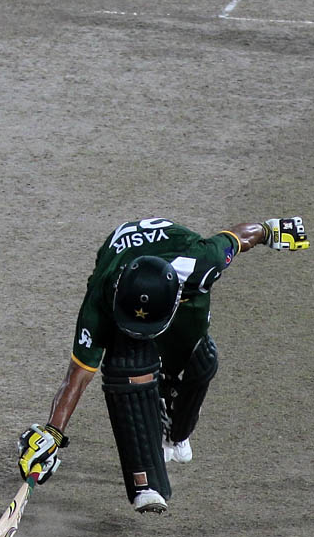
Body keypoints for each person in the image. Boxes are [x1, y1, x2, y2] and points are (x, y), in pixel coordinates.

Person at [16, 215, 307, 514]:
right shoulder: (101, 298)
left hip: (178, 294)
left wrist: (269, 230)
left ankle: (175, 421)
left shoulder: (203, 262)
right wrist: (52, 432)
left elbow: (238, 237)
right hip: (126, 270)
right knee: (124, 369)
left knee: (202, 362)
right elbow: (78, 374)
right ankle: (147, 476)